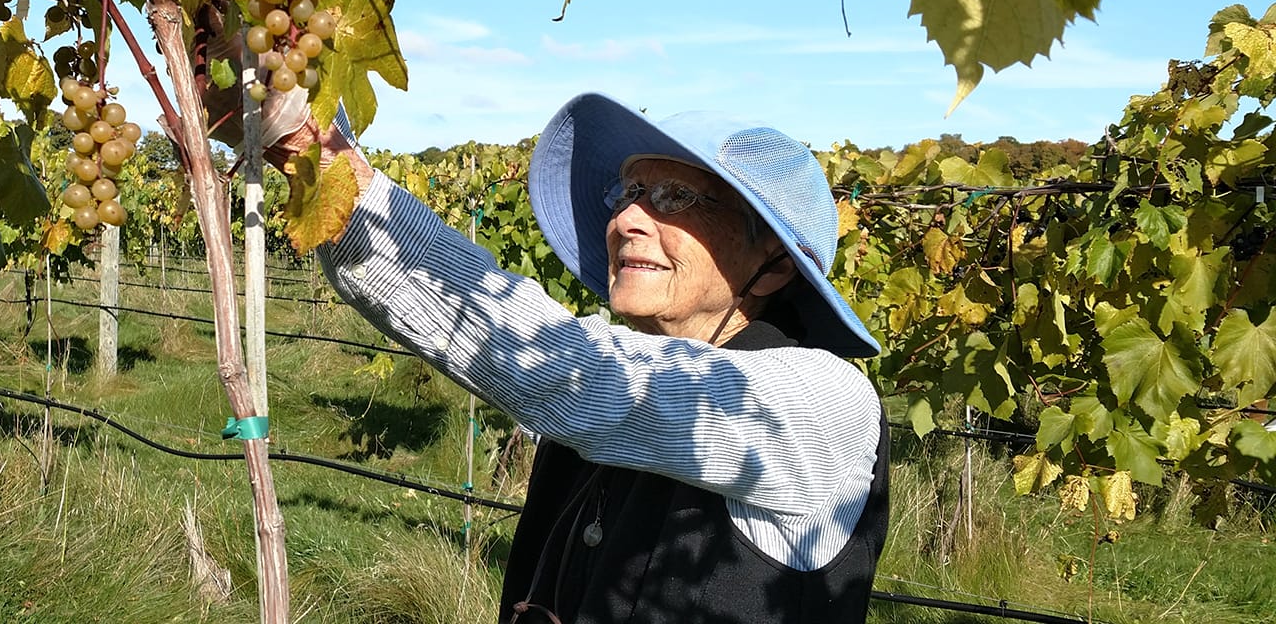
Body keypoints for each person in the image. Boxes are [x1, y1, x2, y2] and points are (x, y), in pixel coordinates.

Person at [258, 92, 887, 623]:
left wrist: (321, 156)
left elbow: (566, 371)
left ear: (774, 264)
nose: (627, 217)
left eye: (676, 198)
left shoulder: (825, 404)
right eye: (631, 190)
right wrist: (313, 167)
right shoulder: (638, 366)